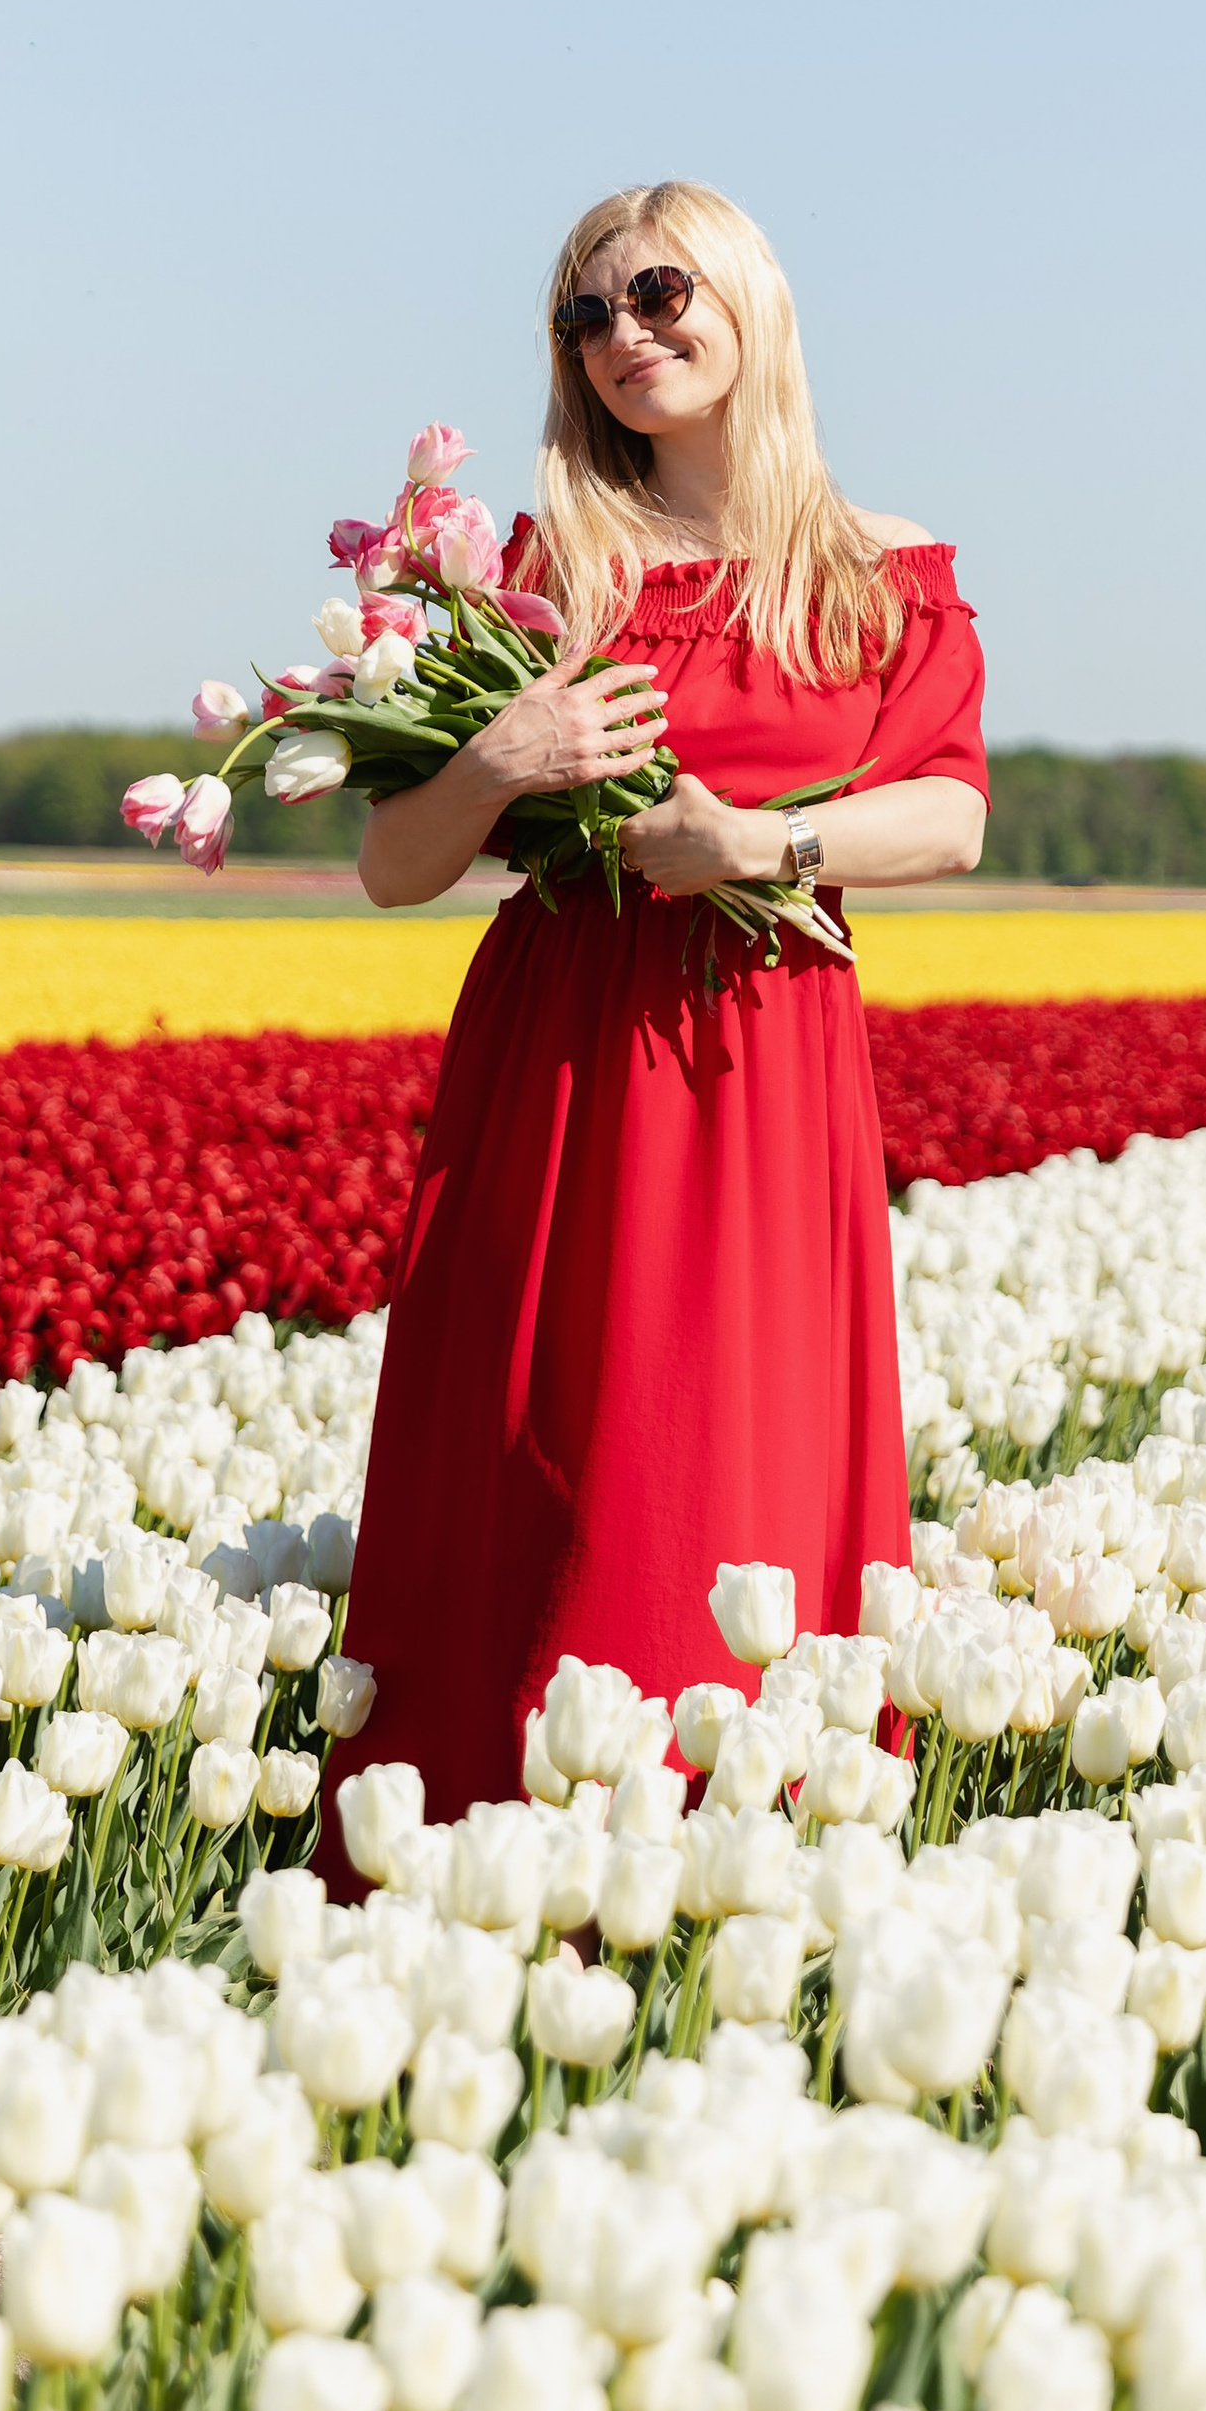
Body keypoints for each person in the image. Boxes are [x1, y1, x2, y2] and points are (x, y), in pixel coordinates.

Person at [336, 179, 988, 1831]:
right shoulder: (545, 572)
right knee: (558, 1457)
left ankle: (738, 1856)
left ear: (748, 303)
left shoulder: (881, 572)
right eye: (584, 318)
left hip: (763, 1057)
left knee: (736, 1452)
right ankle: (488, 1851)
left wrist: (759, 842)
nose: (624, 339)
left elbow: (954, 816)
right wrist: (499, 761)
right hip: (565, 1059)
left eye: (658, 296)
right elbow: (394, 869)